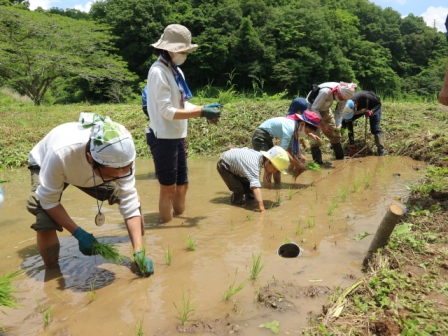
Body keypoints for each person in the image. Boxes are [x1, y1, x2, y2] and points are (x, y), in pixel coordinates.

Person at [26, 112, 154, 275]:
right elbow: (48, 201)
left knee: (131, 199)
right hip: (47, 164)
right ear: (90, 159)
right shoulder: (61, 153)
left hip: (93, 171)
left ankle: (139, 245)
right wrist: (78, 233)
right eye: (111, 175)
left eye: (124, 172)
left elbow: (128, 198)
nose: (117, 178)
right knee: (45, 221)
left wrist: (139, 251)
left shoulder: (122, 152)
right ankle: (52, 271)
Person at [146, 24, 221, 223]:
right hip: (163, 137)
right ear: (168, 49)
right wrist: (201, 113)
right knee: (168, 188)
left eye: (186, 50)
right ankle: (167, 232)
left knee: (182, 186)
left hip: (178, 136)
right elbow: (167, 112)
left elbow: (183, 103)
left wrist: (203, 108)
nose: (185, 53)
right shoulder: (158, 72)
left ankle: (181, 219)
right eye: (182, 50)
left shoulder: (175, 71)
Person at [252, 108, 321, 183]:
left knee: (277, 165)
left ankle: (277, 188)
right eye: (307, 131)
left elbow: (290, 151)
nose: (306, 134)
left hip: (267, 137)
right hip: (260, 136)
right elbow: (282, 152)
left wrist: (299, 163)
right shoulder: (290, 128)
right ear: (302, 124)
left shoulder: (295, 128)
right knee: (269, 167)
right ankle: (269, 190)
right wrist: (297, 165)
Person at [217, 146, 290, 212]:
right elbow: (255, 187)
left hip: (236, 164)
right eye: (274, 168)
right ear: (268, 160)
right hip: (224, 165)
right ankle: (235, 205)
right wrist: (262, 209)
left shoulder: (260, 158)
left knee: (249, 189)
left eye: (276, 170)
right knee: (239, 189)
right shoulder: (254, 165)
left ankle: (249, 202)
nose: (274, 171)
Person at [307, 81, 357, 164]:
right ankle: (318, 164)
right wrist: (323, 124)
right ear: (338, 93)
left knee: (335, 134)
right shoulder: (325, 92)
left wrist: (338, 124)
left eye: (344, 99)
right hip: (311, 110)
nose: (342, 100)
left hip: (325, 109)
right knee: (315, 139)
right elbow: (314, 108)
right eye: (341, 98)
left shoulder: (344, 95)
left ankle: (340, 159)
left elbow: (339, 111)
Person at [341, 90, 384, 156]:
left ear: (355, 106)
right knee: (344, 122)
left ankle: (381, 149)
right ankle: (336, 141)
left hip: (373, 106)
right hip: (360, 109)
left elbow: (379, 104)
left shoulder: (368, 97)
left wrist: (372, 111)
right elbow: (350, 128)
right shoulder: (348, 105)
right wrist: (352, 145)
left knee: (374, 128)